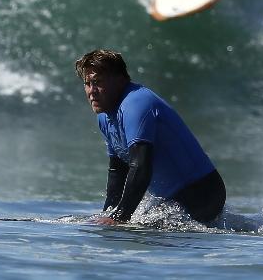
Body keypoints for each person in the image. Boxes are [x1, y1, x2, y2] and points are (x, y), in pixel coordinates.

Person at [75, 49, 226, 225]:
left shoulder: (136, 104)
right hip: (172, 200)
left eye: (98, 82)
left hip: (203, 193)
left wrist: (119, 216)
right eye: (87, 83)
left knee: (143, 228)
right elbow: (118, 170)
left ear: (120, 79)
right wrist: (108, 213)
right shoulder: (105, 115)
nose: (91, 91)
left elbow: (140, 166)